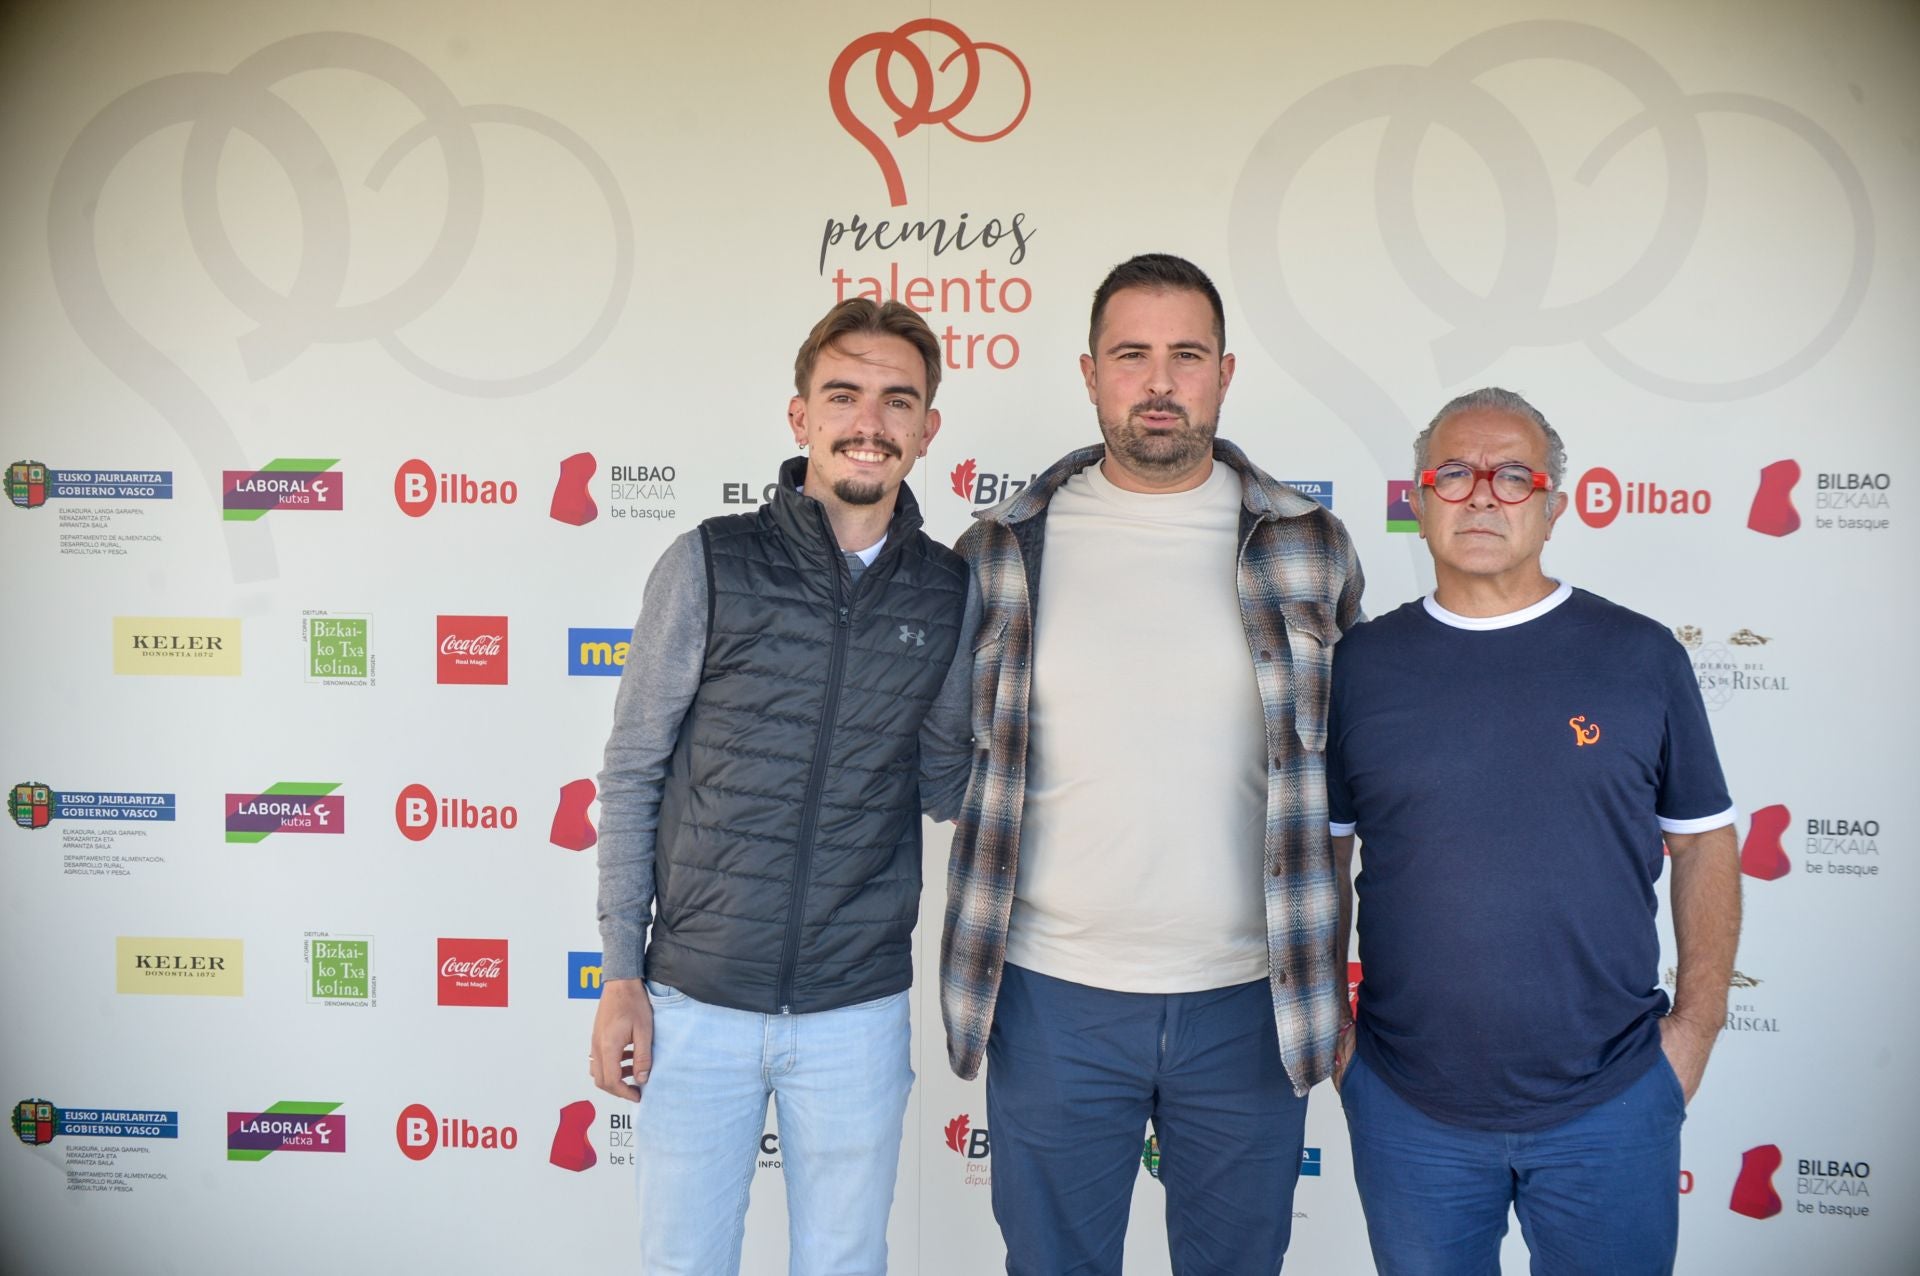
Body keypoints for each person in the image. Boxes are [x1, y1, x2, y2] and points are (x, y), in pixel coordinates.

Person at [934, 253, 1365, 1274]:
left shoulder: (1313, 545)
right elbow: (941, 754)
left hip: (1250, 998)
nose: (1159, 382)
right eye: (1132, 355)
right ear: (1090, 374)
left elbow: (1353, 780)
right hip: (1052, 995)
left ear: (1224, 371)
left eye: (1185, 355)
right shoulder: (998, 549)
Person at [588, 298, 974, 1276]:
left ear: (927, 430)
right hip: (695, 1001)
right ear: (799, 416)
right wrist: (620, 974)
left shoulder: (948, 591)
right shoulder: (709, 562)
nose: (869, 422)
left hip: (856, 1010)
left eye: (898, 401)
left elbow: (944, 781)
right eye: (842, 394)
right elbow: (634, 768)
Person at [1327, 387, 1742, 1275]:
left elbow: (1704, 842)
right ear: (1419, 498)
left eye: (1513, 475)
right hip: (1407, 1107)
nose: (1482, 495)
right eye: (1455, 473)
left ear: (1555, 504)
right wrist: (1333, 1029)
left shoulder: (1640, 657)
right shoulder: (1359, 666)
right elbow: (1323, 854)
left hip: (1614, 1102)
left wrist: (1697, 1028)